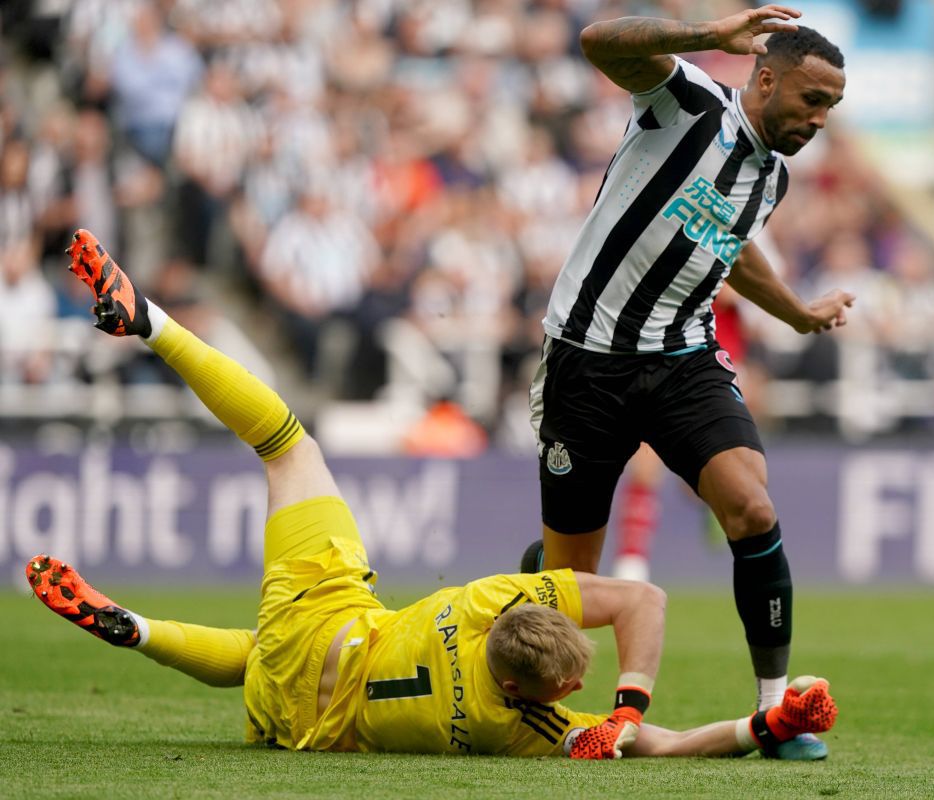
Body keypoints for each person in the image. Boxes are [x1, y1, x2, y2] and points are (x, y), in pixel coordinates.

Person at [28, 229, 838, 760]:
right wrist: (756, 726)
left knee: (282, 443)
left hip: (326, 616)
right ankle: (133, 630)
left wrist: (631, 699)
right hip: (300, 717)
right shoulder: (511, 725)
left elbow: (643, 601)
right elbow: (657, 747)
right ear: (533, 692)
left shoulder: (487, 600)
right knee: (256, 660)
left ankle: (154, 324)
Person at [523, 6, 855, 759]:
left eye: (831, 107)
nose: (820, 118)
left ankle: (778, 713)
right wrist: (709, 32)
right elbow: (597, 41)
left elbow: (731, 253)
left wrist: (799, 314)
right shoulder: (689, 103)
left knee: (751, 505)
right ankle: (529, 589)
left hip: (681, 358)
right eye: (812, 99)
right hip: (588, 358)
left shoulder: (773, 176)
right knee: (567, 592)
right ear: (766, 78)